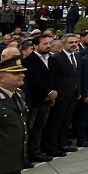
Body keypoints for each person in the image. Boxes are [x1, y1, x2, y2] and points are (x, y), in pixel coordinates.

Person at [43, 34, 81, 158]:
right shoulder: (57, 58)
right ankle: (53, 146)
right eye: (71, 42)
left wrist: (79, 91)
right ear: (63, 44)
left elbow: (77, 76)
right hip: (61, 95)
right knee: (56, 122)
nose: (74, 44)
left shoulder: (77, 56)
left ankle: (63, 143)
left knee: (66, 121)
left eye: (75, 42)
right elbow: (53, 77)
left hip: (73, 94)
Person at [23, 34, 57, 163]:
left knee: (40, 126)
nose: (48, 46)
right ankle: (25, 155)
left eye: (49, 43)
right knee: (29, 128)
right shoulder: (29, 61)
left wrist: (52, 93)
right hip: (34, 100)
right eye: (44, 44)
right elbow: (33, 81)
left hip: (46, 100)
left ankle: (36, 151)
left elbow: (52, 77)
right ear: (35, 46)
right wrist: (48, 92)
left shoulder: (51, 59)